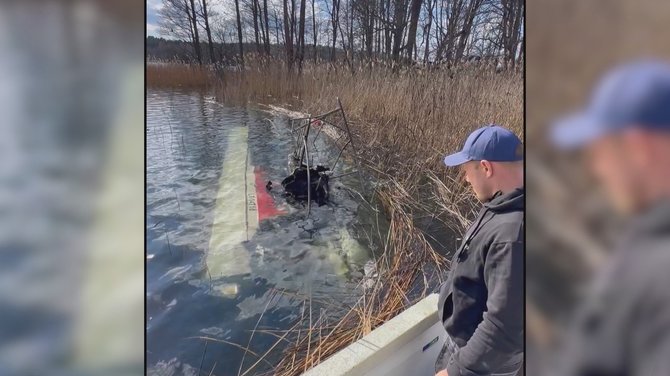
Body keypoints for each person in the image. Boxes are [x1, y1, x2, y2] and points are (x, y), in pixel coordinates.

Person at [550, 60, 670, 375]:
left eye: (600, 152)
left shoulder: (660, 271)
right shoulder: (648, 240)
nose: (596, 169)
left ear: (638, 147)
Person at [436, 125, 525, 376]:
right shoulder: (502, 204)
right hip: (470, 349)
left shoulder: (512, 234)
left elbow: (505, 327)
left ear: (486, 168)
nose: (465, 178)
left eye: (466, 170)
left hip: (482, 365)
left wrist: (457, 371)